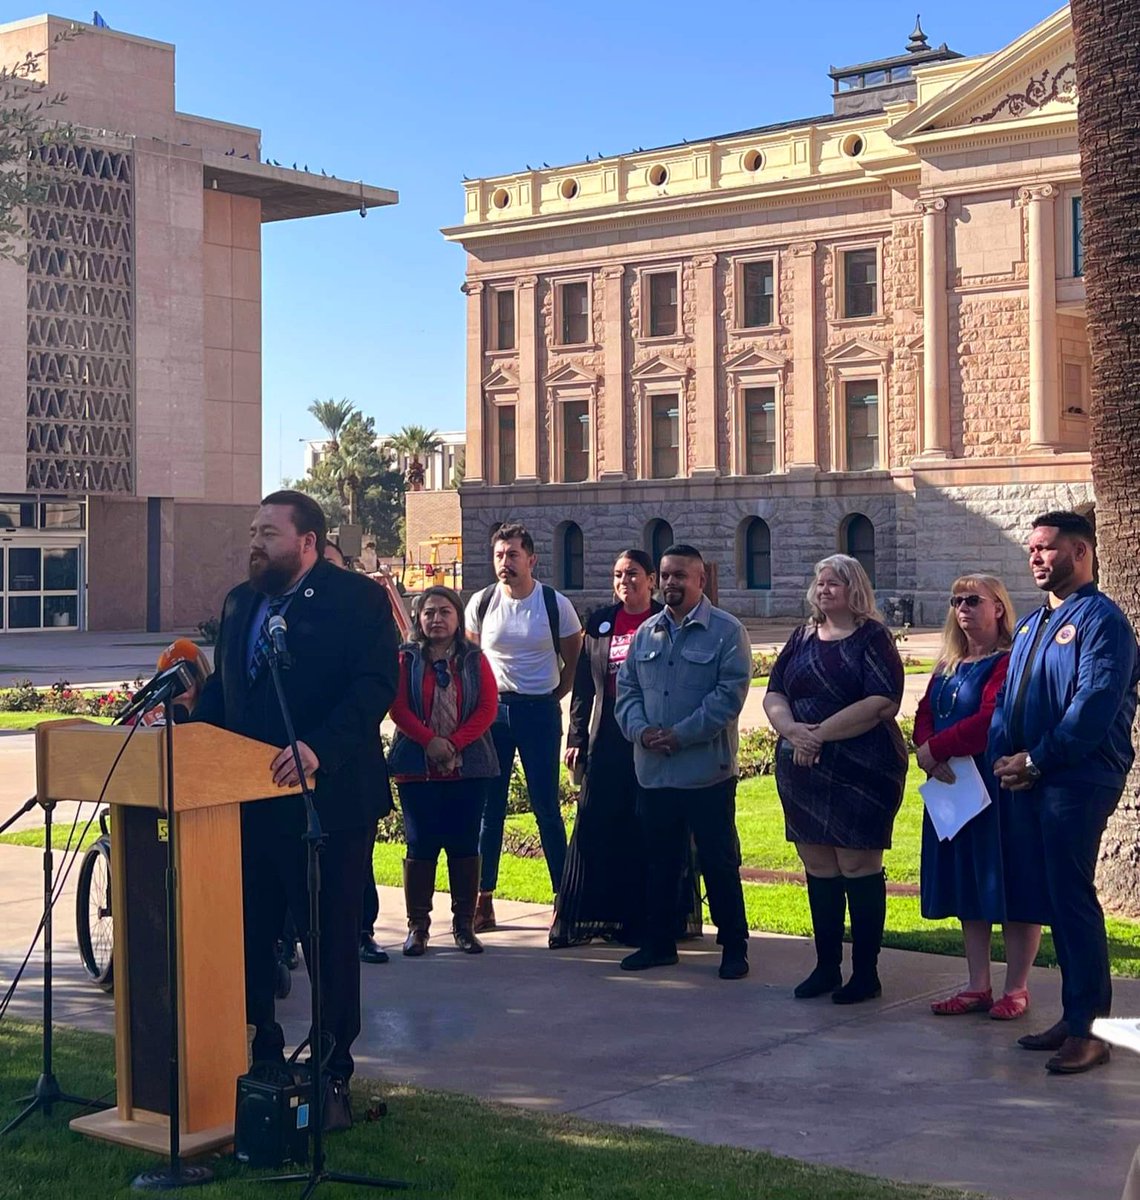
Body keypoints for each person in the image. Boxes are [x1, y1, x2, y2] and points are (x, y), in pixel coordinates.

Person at [194, 489, 399, 1129]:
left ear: (307, 542)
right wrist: (186, 740)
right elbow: (226, 693)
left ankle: (331, 1072)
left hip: (327, 806)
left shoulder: (357, 600)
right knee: (253, 935)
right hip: (248, 806)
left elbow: (375, 689)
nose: (254, 543)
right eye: (253, 531)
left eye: (268, 533)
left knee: (328, 939)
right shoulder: (239, 602)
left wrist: (317, 750)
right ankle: (263, 1058)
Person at [990, 510, 1139, 1075]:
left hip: (1077, 780)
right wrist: (1003, 757)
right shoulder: (1031, 625)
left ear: (1081, 553)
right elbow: (1009, 700)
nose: (1034, 556)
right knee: (1053, 899)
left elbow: (1093, 708)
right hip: (1029, 778)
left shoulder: (1103, 622)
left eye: (1046, 548)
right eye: (1031, 548)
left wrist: (1038, 760)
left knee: (1072, 900)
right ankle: (1073, 1014)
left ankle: (1092, 1031)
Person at [764, 554, 906, 1005]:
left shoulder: (873, 638)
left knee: (858, 867)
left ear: (855, 590)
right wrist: (792, 732)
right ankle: (826, 968)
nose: (824, 590)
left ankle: (865, 974)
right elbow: (774, 692)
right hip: (802, 770)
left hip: (861, 769)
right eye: (820, 583)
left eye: (834, 584)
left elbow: (883, 700)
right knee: (819, 867)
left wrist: (818, 735)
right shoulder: (802, 636)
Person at [615, 543, 752, 980]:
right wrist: (641, 731)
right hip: (655, 773)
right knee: (659, 862)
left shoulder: (727, 632)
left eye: (681, 576)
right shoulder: (646, 634)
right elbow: (627, 691)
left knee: (718, 862)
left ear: (701, 580)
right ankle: (659, 944)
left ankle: (733, 947)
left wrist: (680, 735)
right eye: (667, 575)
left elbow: (728, 697)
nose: (672, 583)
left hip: (706, 773)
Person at [551, 549, 701, 948]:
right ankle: (596, 918)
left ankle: (649, 921)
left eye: (633, 574)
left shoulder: (663, 620)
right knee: (599, 825)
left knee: (648, 827)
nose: (624, 581)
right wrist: (576, 737)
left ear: (651, 579)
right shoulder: (600, 623)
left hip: (653, 738)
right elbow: (584, 686)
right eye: (618, 574)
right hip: (608, 739)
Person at [916, 575, 1041, 1020]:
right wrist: (925, 750)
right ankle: (977, 985)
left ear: (998, 608)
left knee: (1012, 883)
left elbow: (992, 718)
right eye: (956, 601)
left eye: (972, 600)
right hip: (956, 791)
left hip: (999, 790)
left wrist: (937, 748)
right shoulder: (949, 663)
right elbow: (926, 712)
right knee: (969, 882)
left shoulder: (1009, 662)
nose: (962, 608)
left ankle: (1016, 988)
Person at [465, 522, 583, 932]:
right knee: (489, 810)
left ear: (531, 559)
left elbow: (573, 659)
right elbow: (471, 661)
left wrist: (555, 695)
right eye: (499, 555)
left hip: (539, 713)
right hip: (492, 716)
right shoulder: (481, 603)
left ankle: (564, 898)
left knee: (546, 808)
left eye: (513, 555)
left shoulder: (554, 605)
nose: (505, 563)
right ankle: (483, 899)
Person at [388, 586, 499, 956]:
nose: (437, 619)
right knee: (421, 844)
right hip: (417, 766)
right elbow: (398, 708)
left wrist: (453, 743)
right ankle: (418, 927)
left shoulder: (474, 658)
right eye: (429, 612)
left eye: (445, 612)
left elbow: (487, 708)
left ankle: (464, 925)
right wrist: (429, 741)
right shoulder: (405, 659)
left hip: (469, 765)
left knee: (464, 843)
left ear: (458, 617)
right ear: (419, 619)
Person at [323, 538, 389, 966]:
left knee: (355, 867)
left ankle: (363, 931)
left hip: (351, 767)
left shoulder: (364, 610)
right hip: (288, 776)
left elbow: (377, 686)